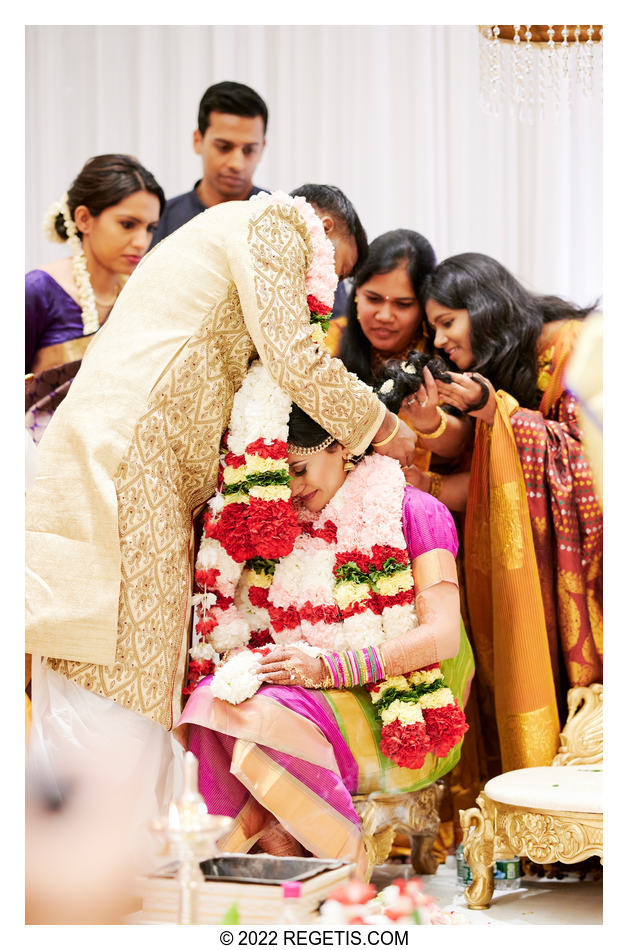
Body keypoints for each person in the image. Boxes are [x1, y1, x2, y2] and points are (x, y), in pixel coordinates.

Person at [26, 186, 417, 855]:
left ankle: (106, 859)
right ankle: (94, 857)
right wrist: (382, 424)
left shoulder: (228, 230)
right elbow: (294, 354)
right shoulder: (275, 224)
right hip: (127, 457)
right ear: (323, 227)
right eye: (340, 269)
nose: (333, 291)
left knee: (127, 655)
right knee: (120, 658)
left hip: (133, 461)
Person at [176, 390, 474, 878]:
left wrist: (330, 668)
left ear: (343, 445)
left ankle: (324, 867)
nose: (291, 489)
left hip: (390, 702)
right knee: (214, 700)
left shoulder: (415, 512)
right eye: (280, 477)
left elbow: (444, 636)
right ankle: (251, 866)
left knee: (257, 714)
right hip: (299, 692)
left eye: (299, 469)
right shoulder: (279, 529)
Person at [394, 251, 602, 778]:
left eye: (446, 322)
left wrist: (498, 413)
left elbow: (594, 459)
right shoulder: (488, 375)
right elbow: (490, 479)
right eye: (433, 329)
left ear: (484, 306)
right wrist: (431, 470)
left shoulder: (568, 344)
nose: (439, 341)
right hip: (538, 573)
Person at [26, 154, 165, 442]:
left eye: (150, 228)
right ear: (84, 219)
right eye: (128, 224)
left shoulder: (141, 297)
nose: (141, 241)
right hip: (39, 468)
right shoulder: (38, 291)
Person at [327, 228, 472, 489]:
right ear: (356, 294)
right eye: (373, 298)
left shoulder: (444, 350)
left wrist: (430, 420)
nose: (384, 315)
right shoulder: (327, 341)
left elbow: (462, 445)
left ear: (424, 306)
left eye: (403, 304)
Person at [150, 80, 268, 246]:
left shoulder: (282, 221)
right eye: (223, 147)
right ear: (198, 141)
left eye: (249, 150)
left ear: (262, 147)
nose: (237, 164)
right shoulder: (159, 223)